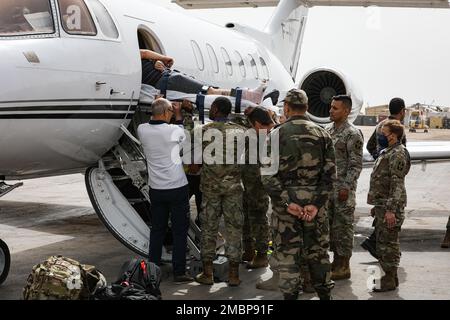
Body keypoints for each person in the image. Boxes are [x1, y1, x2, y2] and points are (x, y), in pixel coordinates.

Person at [261, 89, 336, 300]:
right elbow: (330, 175)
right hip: (315, 209)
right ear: (307, 108)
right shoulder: (323, 134)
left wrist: (287, 203)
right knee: (319, 254)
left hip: (287, 210)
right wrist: (315, 204)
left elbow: (267, 176)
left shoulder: (276, 134)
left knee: (287, 256)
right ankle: (324, 295)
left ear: (286, 108)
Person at [137, 98, 193, 284]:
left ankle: (152, 272)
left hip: (157, 189)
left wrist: (168, 108)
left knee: (157, 230)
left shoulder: (142, 129)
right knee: (179, 231)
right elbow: (185, 137)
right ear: (166, 112)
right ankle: (179, 272)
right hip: (177, 188)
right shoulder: (174, 130)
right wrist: (179, 114)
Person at [194, 97, 246, 287]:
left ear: (215, 109)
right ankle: (233, 275)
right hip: (233, 188)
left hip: (211, 189)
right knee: (234, 229)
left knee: (209, 229)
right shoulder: (241, 132)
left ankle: (208, 274)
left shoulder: (204, 131)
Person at [368, 120, 410, 292]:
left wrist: (391, 210)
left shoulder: (398, 154)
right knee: (383, 243)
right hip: (383, 205)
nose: (380, 136)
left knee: (389, 244)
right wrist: (376, 205)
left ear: (393, 135)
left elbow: (396, 183)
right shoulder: (387, 152)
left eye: (383, 133)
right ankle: (390, 277)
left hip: (390, 207)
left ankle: (389, 278)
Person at [362, 97, 408, 259]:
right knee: (390, 212)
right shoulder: (397, 129)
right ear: (402, 111)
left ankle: (376, 242)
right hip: (391, 176)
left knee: (382, 209)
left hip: (379, 176)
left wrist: (379, 158)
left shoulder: (379, 126)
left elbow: (369, 146)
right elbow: (401, 152)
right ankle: (380, 246)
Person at [325, 95, 363, 280]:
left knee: (344, 228)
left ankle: (344, 265)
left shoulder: (352, 133)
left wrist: (346, 187)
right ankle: (336, 262)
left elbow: (355, 165)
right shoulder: (327, 130)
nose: (331, 110)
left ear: (346, 111)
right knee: (331, 228)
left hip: (343, 191)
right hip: (328, 190)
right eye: (331, 107)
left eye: (335, 108)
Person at [140, 49, 266, 104]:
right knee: (210, 91)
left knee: (210, 90)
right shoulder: (135, 55)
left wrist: (155, 62)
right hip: (169, 80)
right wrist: (165, 58)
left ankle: (249, 95)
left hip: (167, 79)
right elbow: (144, 53)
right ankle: (249, 95)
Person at [230, 113, 270, 270]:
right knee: (246, 219)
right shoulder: (251, 139)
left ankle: (261, 255)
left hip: (258, 189)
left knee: (259, 220)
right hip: (247, 187)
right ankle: (249, 251)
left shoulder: (264, 141)